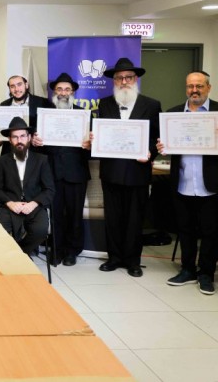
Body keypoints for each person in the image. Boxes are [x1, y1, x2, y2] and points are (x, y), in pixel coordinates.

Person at [159, 71, 218, 295]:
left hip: (212, 185)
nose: (194, 90)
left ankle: (206, 274)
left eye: (199, 86)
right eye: (190, 86)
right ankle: (187, 270)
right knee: (185, 230)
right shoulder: (173, 113)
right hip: (183, 182)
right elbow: (168, 144)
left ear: (208, 87)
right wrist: (163, 147)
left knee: (210, 231)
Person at [95, 58, 161, 277]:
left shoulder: (152, 105)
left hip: (137, 172)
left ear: (136, 79)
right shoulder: (104, 104)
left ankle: (133, 261)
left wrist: (150, 152)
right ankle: (114, 258)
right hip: (111, 171)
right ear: (114, 81)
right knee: (112, 218)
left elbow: (158, 138)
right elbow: (102, 134)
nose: (124, 82)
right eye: (119, 78)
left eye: (128, 77)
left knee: (135, 219)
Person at [33, 72, 91, 267]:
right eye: (59, 89)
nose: (63, 93)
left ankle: (72, 251)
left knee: (75, 214)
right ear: (54, 93)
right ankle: (56, 249)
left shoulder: (84, 115)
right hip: (52, 172)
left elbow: (93, 148)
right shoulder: (44, 115)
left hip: (76, 172)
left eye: (67, 89)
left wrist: (90, 145)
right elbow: (38, 147)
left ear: (73, 92)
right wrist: (35, 142)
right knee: (55, 214)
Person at [0, 117, 55, 257]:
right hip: (9, 207)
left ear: (29, 138)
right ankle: (17, 257)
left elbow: (49, 190)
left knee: (40, 230)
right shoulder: (2, 161)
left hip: (34, 206)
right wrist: (10, 203)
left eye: (22, 136)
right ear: (10, 140)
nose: (19, 140)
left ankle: (19, 254)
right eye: (15, 137)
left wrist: (33, 203)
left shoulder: (41, 160)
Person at [0, 75, 53, 155]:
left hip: (35, 153)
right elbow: (3, 128)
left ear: (26, 85)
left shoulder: (43, 102)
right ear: (9, 89)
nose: (16, 89)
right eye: (12, 86)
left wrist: (34, 137)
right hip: (10, 153)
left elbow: (50, 127)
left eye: (19, 84)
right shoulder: (4, 105)